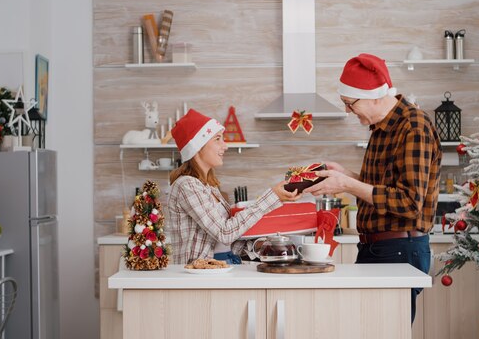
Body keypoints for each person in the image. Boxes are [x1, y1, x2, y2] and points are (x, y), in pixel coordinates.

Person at [304, 53, 442, 324]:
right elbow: (385, 188)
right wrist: (346, 175)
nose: (347, 111)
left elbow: (409, 201)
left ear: (375, 96)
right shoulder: (382, 128)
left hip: (399, 248)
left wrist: (347, 184)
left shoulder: (413, 126)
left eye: (349, 103)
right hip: (378, 248)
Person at [168, 109, 300, 264]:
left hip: (224, 266)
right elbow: (224, 233)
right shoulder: (187, 185)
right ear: (198, 147)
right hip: (199, 274)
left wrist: (258, 244)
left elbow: (226, 243)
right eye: (217, 139)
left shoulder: (210, 187)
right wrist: (272, 197)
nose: (225, 146)